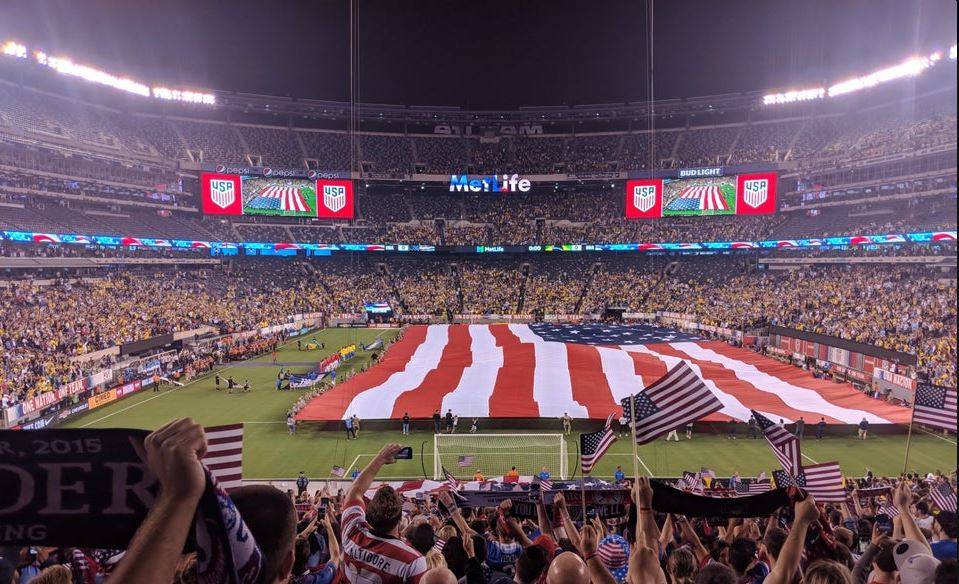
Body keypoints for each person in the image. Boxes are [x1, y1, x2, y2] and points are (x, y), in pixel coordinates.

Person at [340, 443, 428, 584]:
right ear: (400, 520)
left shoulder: (352, 531)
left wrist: (380, 458)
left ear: (367, 515)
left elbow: (354, 491)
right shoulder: (413, 561)